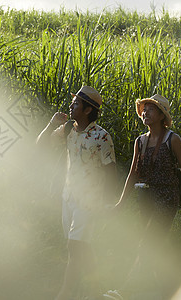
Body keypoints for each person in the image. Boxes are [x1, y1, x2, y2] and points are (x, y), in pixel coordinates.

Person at [105, 94, 181, 299]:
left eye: (151, 109)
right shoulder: (140, 141)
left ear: (162, 115)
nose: (145, 112)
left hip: (167, 198)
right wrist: (120, 203)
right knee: (154, 244)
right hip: (145, 199)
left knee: (146, 242)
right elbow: (132, 173)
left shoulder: (173, 139)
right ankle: (172, 288)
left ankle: (124, 290)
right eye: (144, 109)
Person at [37, 86, 117, 300]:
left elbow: (111, 171)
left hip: (90, 200)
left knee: (75, 245)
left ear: (88, 110)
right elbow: (40, 145)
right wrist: (51, 124)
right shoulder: (67, 130)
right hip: (68, 197)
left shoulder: (102, 137)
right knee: (78, 247)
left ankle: (64, 293)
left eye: (76, 104)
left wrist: (108, 203)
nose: (71, 106)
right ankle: (98, 291)